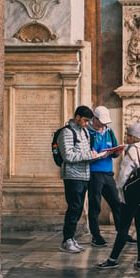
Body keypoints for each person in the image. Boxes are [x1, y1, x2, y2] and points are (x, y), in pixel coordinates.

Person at [97, 122, 140, 270]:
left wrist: (121, 195)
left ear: (134, 137)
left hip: (132, 195)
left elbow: (122, 177)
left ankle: (113, 259)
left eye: (128, 135)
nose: (127, 138)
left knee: (124, 227)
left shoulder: (133, 152)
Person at [58, 105, 99, 253]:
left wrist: (94, 154)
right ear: (77, 117)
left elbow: (85, 151)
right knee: (74, 207)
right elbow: (67, 156)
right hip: (72, 176)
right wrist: (89, 156)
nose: (87, 123)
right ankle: (66, 240)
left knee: (79, 207)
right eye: (85, 120)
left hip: (84, 175)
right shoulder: (66, 133)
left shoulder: (85, 132)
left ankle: (71, 238)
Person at [87, 105, 127, 248]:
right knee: (95, 205)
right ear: (94, 118)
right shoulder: (88, 133)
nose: (103, 124)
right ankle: (96, 235)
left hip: (108, 172)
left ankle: (122, 231)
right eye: (101, 121)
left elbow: (114, 149)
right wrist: (97, 155)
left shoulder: (109, 132)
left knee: (117, 203)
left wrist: (116, 152)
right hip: (94, 173)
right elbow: (87, 153)